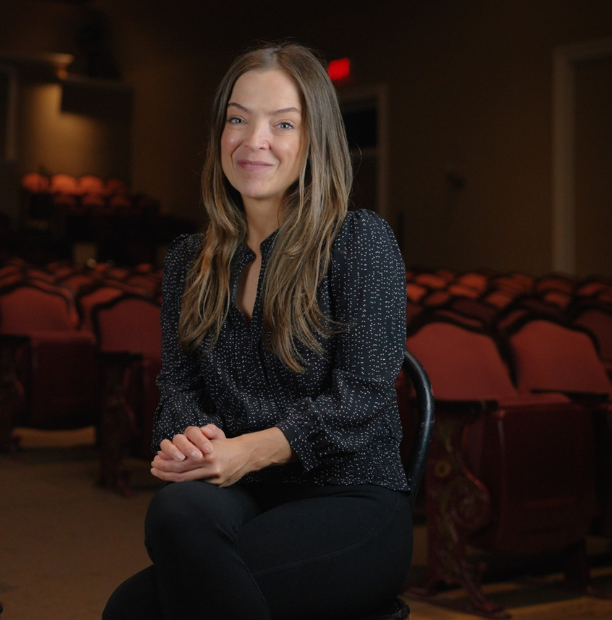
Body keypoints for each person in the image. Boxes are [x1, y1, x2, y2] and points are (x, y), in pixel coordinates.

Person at [103, 43, 412, 620]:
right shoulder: (188, 259)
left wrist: (247, 451)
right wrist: (186, 442)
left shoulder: (359, 241)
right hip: (240, 497)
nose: (254, 140)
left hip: (349, 495)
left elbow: (363, 401)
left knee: (134, 612)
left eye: (283, 123)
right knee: (174, 511)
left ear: (314, 139)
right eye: (238, 119)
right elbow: (179, 390)